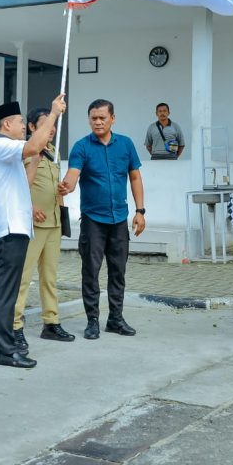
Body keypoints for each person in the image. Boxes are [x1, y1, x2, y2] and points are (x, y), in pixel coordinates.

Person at [0, 95, 65, 368]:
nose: (22, 126)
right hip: (8, 228)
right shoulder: (0, 145)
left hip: (14, 227)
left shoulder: (8, 150)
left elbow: (26, 177)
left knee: (4, 290)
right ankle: (8, 351)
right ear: (6, 124)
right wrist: (52, 114)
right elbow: (33, 144)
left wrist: (35, 159)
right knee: (8, 291)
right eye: (20, 122)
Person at [61, 99, 146, 340]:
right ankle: (92, 322)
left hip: (119, 218)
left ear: (112, 118)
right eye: (93, 118)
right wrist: (66, 186)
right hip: (93, 221)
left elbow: (135, 178)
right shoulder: (81, 147)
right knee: (91, 271)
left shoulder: (126, 144)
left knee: (118, 271)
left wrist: (140, 211)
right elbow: (73, 174)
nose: (98, 122)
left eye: (102, 118)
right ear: (89, 120)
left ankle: (116, 319)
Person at [13, 108, 74, 348]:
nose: (52, 129)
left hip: (53, 222)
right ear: (31, 128)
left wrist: (63, 193)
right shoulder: (26, 152)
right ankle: (15, 324)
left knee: (50, 277)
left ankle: (51, 322)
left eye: (53, 125)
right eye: (46, 124)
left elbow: (52, 186)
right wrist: (29, 208)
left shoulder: (54, 152)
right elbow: (17, 185)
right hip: (33, 223)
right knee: (24, 276)